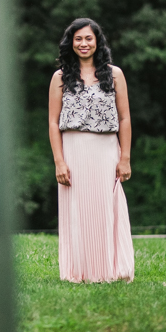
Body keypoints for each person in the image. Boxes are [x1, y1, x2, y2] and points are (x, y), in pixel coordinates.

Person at [48, 18, 134, 283]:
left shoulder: (115, 74)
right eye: (78, 39)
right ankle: (79, 272)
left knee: (106, 209)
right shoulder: (60, 77)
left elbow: (124, 119)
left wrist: (125, 158)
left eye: (88, 38)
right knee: (78, 212)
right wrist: (59, 162)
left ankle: (110, 270)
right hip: (73, 150)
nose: (83, 44)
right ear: (70, 43)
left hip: (106, 150)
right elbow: (53, 121)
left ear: (97, 41)